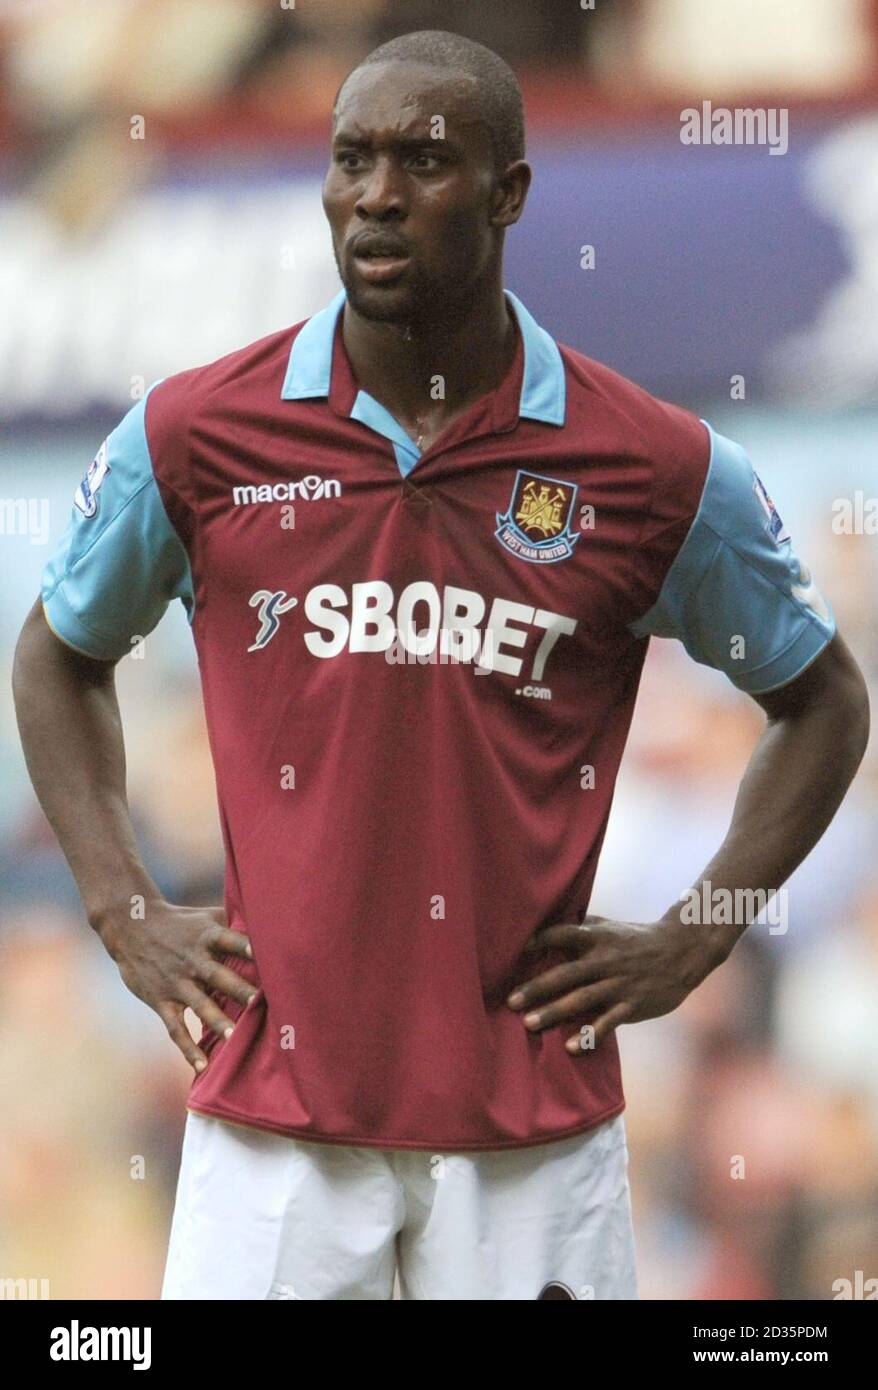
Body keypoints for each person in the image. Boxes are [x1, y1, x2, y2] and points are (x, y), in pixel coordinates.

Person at [13, 30, 869, 1301]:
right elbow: (56, 657)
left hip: (531, 1127)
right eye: (351, 159)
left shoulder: (650, 465)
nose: (375, 194)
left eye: (422, 161)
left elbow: (819, 701)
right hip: (274, 1124)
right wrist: (123, 906)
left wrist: (696, 937)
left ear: (510, 192)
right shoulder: (199, 433)